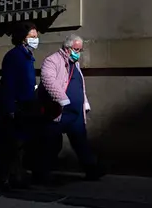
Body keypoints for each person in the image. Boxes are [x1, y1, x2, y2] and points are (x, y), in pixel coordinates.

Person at [37, 34, 105, 182]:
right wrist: (63, 100)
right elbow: (48, 80)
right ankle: (42, 174)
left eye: (80, 50)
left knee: (81, 142)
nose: (78, 53)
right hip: (59, 111)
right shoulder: (52, 60)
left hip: (76, 114)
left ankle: (92, 170)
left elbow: (80, 86)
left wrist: (84, 103)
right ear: (67, 49)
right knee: (51, 144)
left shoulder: (75, 65)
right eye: (76, 49)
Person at [0, 21, 40, 187]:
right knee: (11, 143)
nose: (35, 39)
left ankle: (16, 174)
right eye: (32, 36)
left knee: (20, 143)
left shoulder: (27, 56)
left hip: (25, 105)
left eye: (36, 36)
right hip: (15, 106)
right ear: (23, 38)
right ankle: (6, 177)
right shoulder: (14, 56)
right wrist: (10, 108)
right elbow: (9, 83)